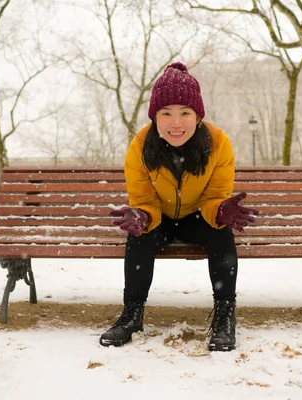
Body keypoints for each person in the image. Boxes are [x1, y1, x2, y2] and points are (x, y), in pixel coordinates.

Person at [99, 62, 259, 352]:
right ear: (155, 116)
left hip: (198, 217)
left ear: (197, 115)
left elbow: (215, 195)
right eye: (166, 113)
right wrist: (142, 215)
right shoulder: (140, 146)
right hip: (159, 218)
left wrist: (221, 210)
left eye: (185, 113)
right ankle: (132, 314)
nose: (176, 123)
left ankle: (224, 315)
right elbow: (144, 199)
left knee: (221, 232)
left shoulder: (218, 143)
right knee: (138, 235)